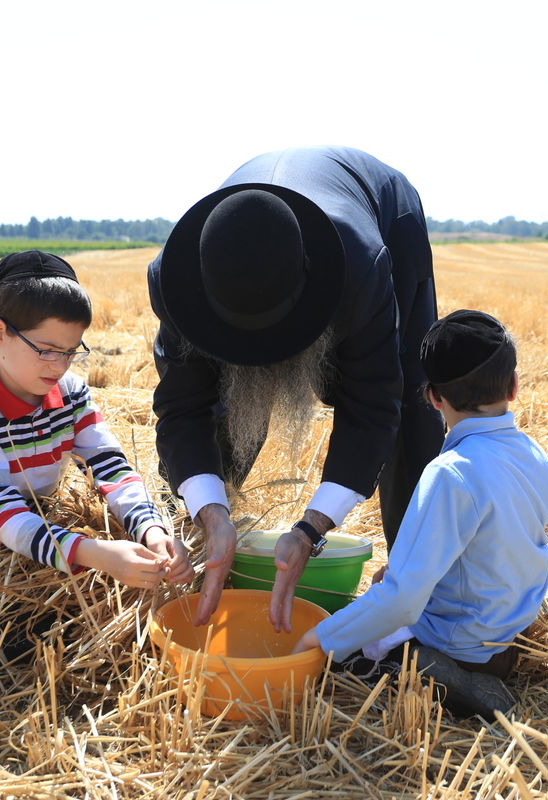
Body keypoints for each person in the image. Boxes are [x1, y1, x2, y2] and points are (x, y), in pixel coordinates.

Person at [147, 147, 444, 631]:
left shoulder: (363, 268)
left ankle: (418, 592)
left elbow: (373, 406)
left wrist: (311, 529)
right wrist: (209, 510)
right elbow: (183, 409)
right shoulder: (175, 280)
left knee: (413, 403)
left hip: (385, 217)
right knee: (217, 425)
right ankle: (201, 543)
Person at [0, 251, 194, 658]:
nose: (60, 365)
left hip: (19, 556)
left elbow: (109, 464)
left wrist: (151, 529)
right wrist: (96, 555)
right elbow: (1, 511)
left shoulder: (71, 393)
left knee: (71, 634)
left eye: (71, 351)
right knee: (8, 656)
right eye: (46, 350)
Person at [291, 310, 548, 718]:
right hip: (511, 638)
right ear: (515, 386)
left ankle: (436, 674)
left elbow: (402, 601)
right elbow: (492, 548)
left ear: (433, 397)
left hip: (459, 645)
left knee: (350, 654)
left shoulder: (451, 473)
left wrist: (318, 639)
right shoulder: (533, 454)